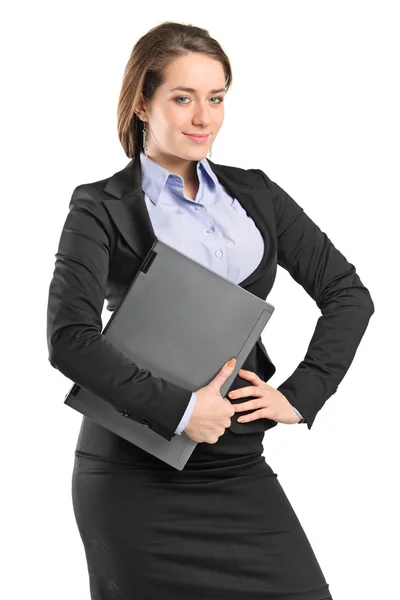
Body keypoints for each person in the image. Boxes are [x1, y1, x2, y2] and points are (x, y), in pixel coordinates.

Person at [46, 20, 374, 600]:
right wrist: (179, 410)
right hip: (132, 474)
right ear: (143, 104)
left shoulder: (257, 194)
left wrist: (300, 395)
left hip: (237, 464)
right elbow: (70, 338)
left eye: (216, 98)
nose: (204, 118)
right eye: (183, 98)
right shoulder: (100, 206)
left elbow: (348, 294)